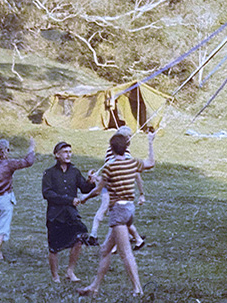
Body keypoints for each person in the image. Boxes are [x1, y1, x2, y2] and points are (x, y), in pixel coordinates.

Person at [77, 131, 156, 297]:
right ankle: (94, 287)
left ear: (111, 149)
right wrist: (150, 141)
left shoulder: (109, 166)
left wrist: (84, 198)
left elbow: (98, 191)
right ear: (126, 147)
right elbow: (151, 162)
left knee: (125, 252)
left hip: (118, 213)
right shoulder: (132, 162)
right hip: (128, 210)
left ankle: (138, 290)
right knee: (105, 250)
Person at [42, 141, 96, 282]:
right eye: (65, 152)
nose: (68, 154)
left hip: (71, 213)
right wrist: (69, 200)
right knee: (53, 247)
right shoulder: (49, 173)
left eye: (70, 152)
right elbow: (47, 194)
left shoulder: (75, 172)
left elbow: (85, 188)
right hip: (55, 214)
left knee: (80, 237)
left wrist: (91, 181)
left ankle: (70, 271)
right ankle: (55, 276)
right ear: (57, 155)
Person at [89, 126, 146, 251]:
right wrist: (141, 193)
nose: (129, 139)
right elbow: (130, 173)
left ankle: (125, 240)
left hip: (111, 186)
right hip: (114, 187)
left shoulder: (112, 150)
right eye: (128, 137)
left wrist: (97, 179)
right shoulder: (121, 153)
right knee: (112, 212)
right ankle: (123, 241)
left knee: (114, 213)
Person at [0, 138, 35, 265]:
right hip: (5, 199)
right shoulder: (8, 164)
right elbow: (28, 162)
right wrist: (31, 147)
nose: (8, 152)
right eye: (7, 149)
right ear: (3, 151)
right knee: (2, 229)